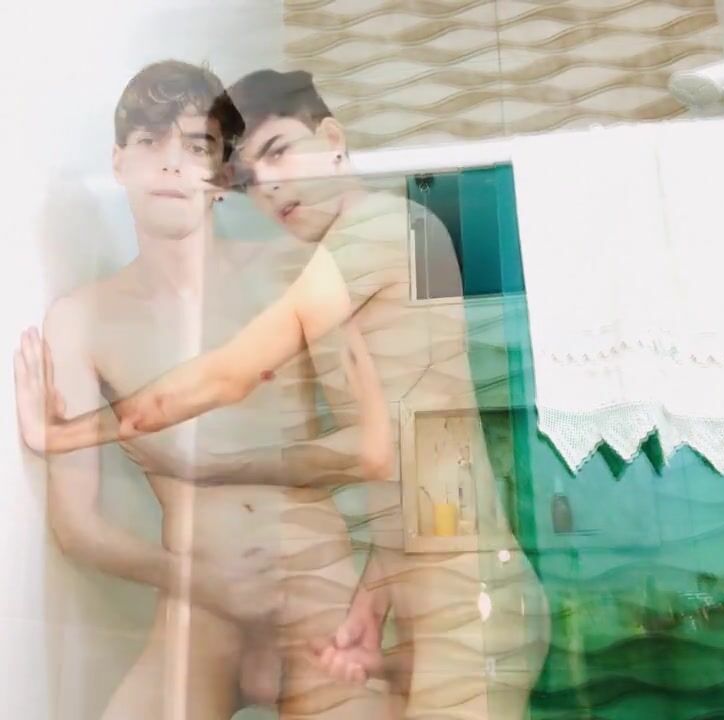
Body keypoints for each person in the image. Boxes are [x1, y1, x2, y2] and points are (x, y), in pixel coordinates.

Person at [18, 67, 551, 720]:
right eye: (251, 175)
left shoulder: (380, 231)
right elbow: (407, 456)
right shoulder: (372, 256)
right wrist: (374, 600)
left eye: (278, 153)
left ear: (334, 139)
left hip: (464, 599)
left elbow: (231, 373)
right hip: (432, 595)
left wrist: (71, 434)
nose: (269, 186)